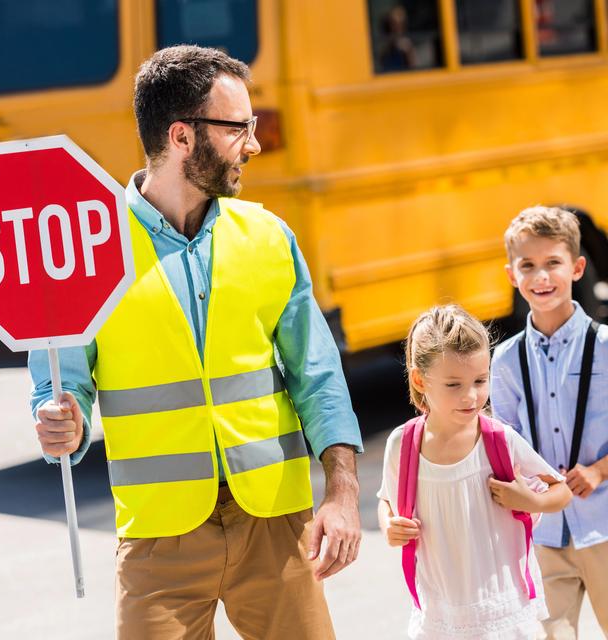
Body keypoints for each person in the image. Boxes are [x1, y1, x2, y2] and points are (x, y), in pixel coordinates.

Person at [29, 45, 363, 640]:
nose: (253, 145)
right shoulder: (87, 251)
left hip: (274, 524)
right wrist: (63, 422)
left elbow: (319, 377)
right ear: (182, 136)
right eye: (239, 128)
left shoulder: (268, 237)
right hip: (160, 540)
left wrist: (341, 492)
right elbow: (62, 386)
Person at [378, 304, 571, 639]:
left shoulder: (499, 440)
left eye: (480, 380)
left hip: (502, 611)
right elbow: (386, 501)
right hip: (441, 612)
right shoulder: (403, 445)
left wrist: (531, 500)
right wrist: (388, 526)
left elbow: (561, 491)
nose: (471, 396)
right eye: (454, 385)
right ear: (420, 380)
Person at [491, 206, 608, 639]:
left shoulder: (606, 347)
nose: (541, 277)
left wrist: (597, 470)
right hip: (544, 535)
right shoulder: (504, 361)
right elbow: (505, 442)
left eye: (553, 263)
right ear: (511, 275)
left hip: (604, 525)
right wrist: (530, 483)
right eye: (528, 266)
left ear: (577, 268)